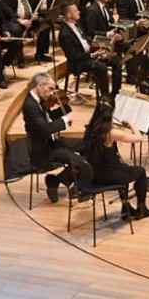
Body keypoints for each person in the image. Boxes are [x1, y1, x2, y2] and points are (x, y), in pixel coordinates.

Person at [22, 72, 92, 202]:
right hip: (44, 151)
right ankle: (74, 185)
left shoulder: (39, 99)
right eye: (50, 88)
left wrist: (66, 105)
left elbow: (50, 118)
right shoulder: (30, 106)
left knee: (89, 146)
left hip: (52, 142)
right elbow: (45, 129)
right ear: (40, 85)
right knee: (82, 162)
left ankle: (55, 181)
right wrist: (65, 119)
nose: (52, 93)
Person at [82, 102, 149, 220]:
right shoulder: (111, 133)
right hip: (108, 176)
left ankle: (126, 208)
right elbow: (138, 138)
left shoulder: (90, 129)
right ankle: (142, 208)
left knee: (124, 166)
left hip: (94, 173)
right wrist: (132, 125)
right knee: (141, 171)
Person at [57, 2, 115, 97]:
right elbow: (73, 57)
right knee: (101, 67)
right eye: (76, 11)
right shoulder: (64, 34)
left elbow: (86, 40)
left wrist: (100, 48)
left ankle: (115, 92)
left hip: (88, 53)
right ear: (69, 15)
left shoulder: (77, 23)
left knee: (114, 59)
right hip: (78, 63)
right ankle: (105, 98)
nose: (79, 12)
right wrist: (93, 55)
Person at [0, 0, 51, 65]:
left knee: (45, 22)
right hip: (14, 20)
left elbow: (35, 3)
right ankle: (20, 59)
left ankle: (40, 53)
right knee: (17, 29)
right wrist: (19, 20)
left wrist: (36, 13)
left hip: (30, 18)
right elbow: (5, 9)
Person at [83, 0, 125, 94]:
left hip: (108, 40)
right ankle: (114, 91)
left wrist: (116, 32)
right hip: (98, 43)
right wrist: (108, 34)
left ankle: (117, 88)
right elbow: (90, 32)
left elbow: (109, 23)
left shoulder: (105, 6)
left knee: (127, 46)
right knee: (117, 61)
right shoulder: (92, 10)